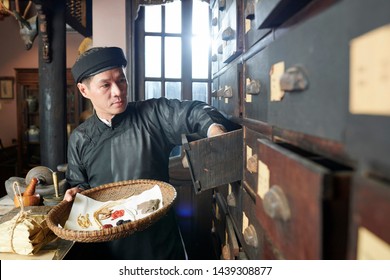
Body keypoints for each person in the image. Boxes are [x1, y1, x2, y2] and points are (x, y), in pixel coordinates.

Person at [63, 46, 238, 260]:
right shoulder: (80, 138)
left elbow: (193, 111)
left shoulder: (151, 115)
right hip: (109, 244)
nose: (118, 91)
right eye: (106, 85)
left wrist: (214, 129)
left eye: (121, 80)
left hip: (159, 241)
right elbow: (78, 185)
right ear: (84, 90)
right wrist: (76, 193)